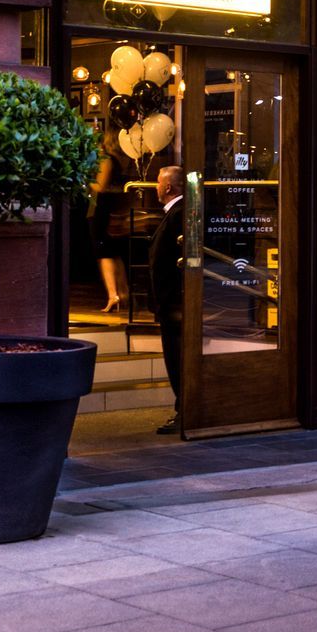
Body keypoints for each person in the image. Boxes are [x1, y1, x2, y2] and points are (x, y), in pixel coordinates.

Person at [147, 165, 187, 435]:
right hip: (170, 302)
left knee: (176, 358)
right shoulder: (174, 213)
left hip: (173, 302)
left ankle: (184, 410)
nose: (156, 187)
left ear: (168, 188)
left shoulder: (179, 214)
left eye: (159, 183)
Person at [86, 131, 130, 314]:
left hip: (101, 210)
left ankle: (113, 295)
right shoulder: (121, 161)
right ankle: (123, 292)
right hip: (113, 209)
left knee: (103, 253)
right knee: (115, 253)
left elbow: (100, 186)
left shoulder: (106, 159)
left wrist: (86, 179)